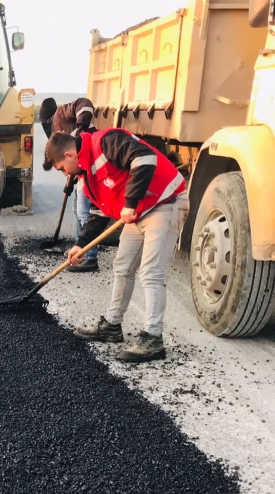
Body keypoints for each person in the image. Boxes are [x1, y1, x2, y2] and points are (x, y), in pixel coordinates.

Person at [43, 129, 188, 363]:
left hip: (165, 202)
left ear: (70, 155)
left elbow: (145, 159)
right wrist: (80, 244)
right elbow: (100, 211)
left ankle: (153, 338)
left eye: (61, 168)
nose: (64, 174)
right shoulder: (87, 173)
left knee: (151, 272)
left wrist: (130, 203)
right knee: (122, 267)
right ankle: (112, 326)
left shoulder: (106, 142)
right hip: (139, 212)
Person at [39, 97, 105, 273]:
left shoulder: (61, 113)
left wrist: (81, 125)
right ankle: (80, 248)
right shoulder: (54, 130)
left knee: (85, 211)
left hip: (89, 162)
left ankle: (90, 257)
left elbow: (84, 103)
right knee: (78, 209)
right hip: (80, 169)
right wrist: (70, 179)